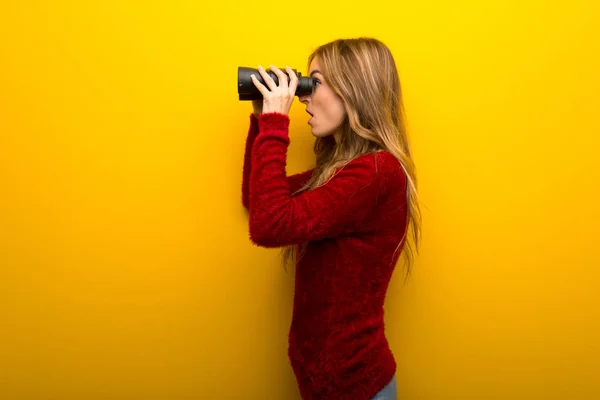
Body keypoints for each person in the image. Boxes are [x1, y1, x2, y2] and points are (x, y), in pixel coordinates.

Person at [240, 37, 421, 400]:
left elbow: (270, 225)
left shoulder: (376, 172)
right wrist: (263, 118)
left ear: (355, 90)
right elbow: (257, 200)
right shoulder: (341, 173)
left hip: (355, 388)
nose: (303, 95)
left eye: (315, 82)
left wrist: (278, 119)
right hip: (329, 385)